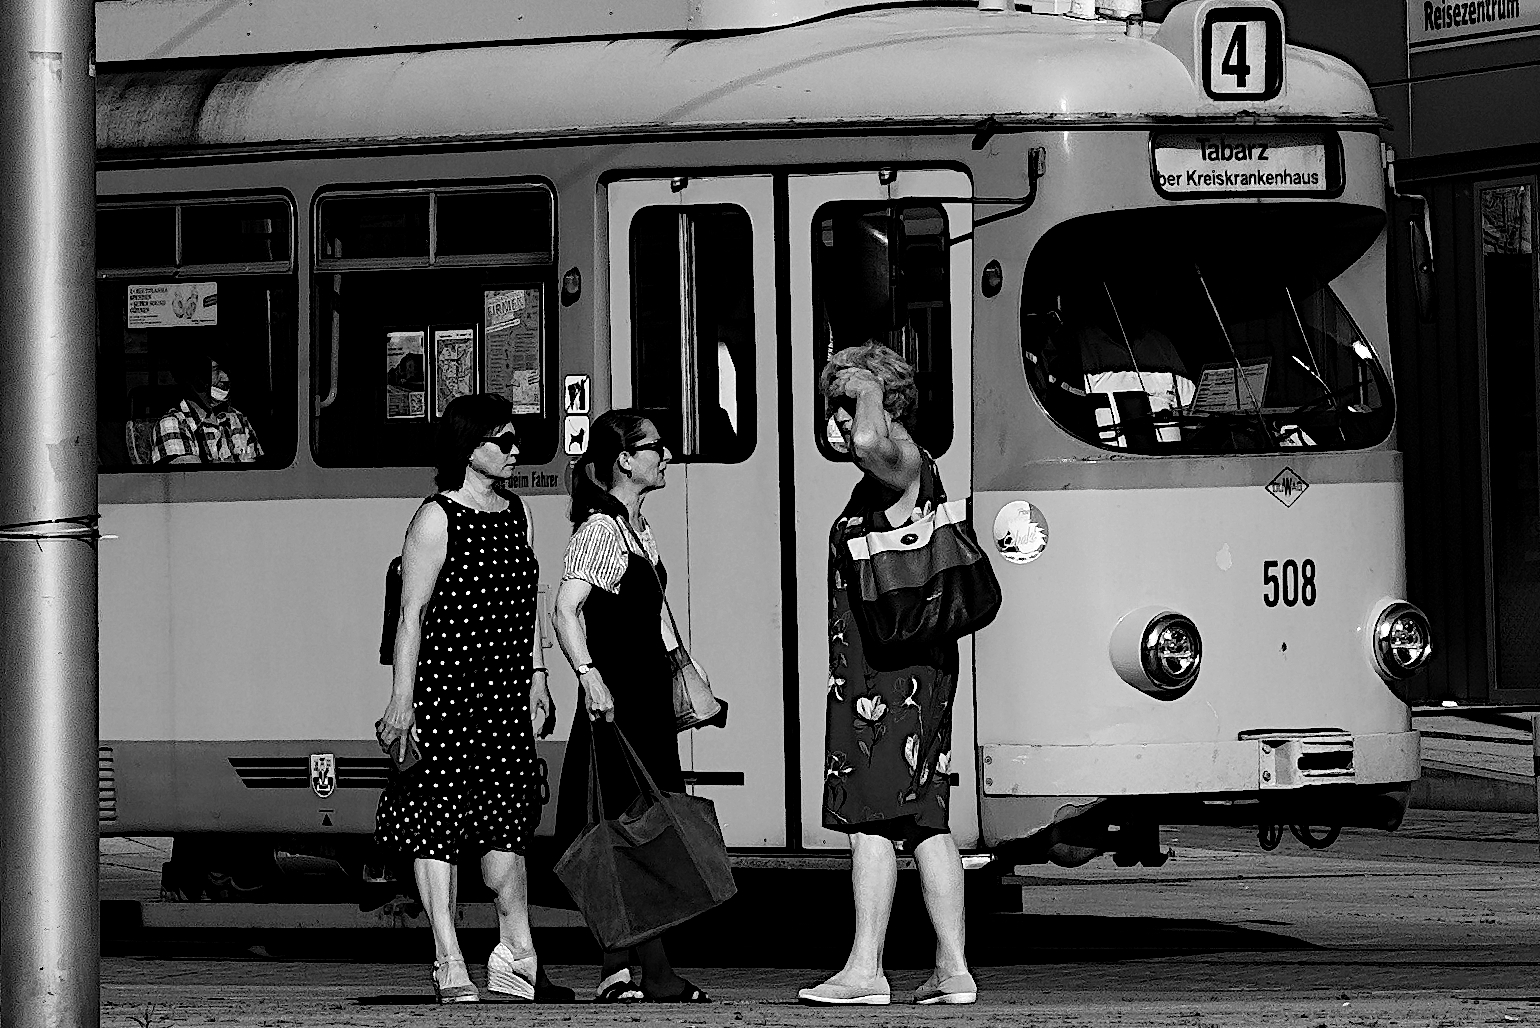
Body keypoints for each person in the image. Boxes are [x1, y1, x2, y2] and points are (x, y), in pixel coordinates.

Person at [798, 343, 976, 1007]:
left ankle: (866, 969)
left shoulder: (898, 459)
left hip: (888, 679)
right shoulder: (896, 473)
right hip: (909, 670)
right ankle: (952, 970)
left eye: (844, 410)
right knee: (926, 819)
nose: (841, 425)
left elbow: (871, 435)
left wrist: (863, 386)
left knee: (871, 819)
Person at [374, 393, 558, 1004]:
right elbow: (411, 616)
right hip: (448, 692)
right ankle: (448, 958)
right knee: (438, 826)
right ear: (468, 448)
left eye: (515, 439)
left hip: (503, 693)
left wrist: (537, 674)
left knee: (506, 822)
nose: (514, 449)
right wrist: (402, 701)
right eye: (501, 440)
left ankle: (513, 953)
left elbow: (529, 605)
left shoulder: (516, 511)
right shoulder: (436, 518)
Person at [551, 409, 711, 1004]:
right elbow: (566, 610)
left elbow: (652, 615)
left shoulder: (633, 526)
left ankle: (620, 969)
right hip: (617, 703)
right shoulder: (601, 529)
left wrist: (687, 672)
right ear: (624, 460)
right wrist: (590, 679)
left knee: (629, 828)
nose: (665, 456)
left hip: (640, 700)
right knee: (629, 829)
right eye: (655, 448)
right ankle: (649, 971)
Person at [149, 349, 264, 464]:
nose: (225, 378)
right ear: (193, 377)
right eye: (216, 371)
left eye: (226, 370)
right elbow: (188, 477)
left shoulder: (237, 419)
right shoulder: (173, 423)